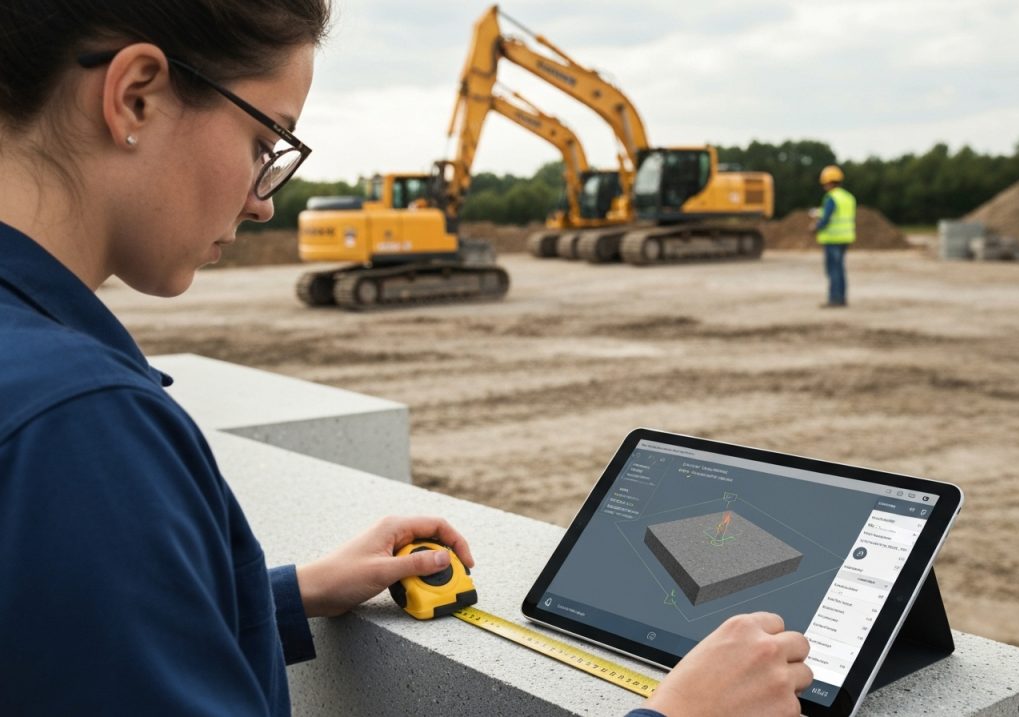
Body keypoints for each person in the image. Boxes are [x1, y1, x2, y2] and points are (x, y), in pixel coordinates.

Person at [0, 2, 812, 715]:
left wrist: (280, 595)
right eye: (264, 140)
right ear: (135, 94)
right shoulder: (79, 428)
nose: (264, 197)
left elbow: (63, 637)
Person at [814, 165, 857, 307]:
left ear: (828, 182)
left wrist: (815, 227)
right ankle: (842, 298)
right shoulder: (848, 197)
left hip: (833, 239)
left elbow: (826, 219)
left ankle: (835, 299)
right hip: (846, 238)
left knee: (833, 270)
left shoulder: (832, 197)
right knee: (840, 269)